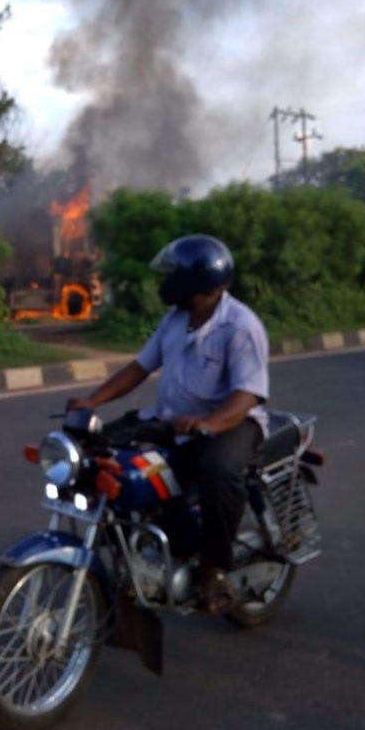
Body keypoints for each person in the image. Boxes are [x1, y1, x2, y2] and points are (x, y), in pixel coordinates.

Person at [69, 234, 269, 615]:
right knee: (101, 448)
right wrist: (92, 402)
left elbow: (248, 395)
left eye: (174, 275)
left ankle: (214, 570)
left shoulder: (240, 326)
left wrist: (209, 423)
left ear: (201, 286)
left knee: (218, 470)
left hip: (232, 423)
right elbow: (139, 368)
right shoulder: (175, 319)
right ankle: (135, 541)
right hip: (174, 419)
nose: (166, 283)